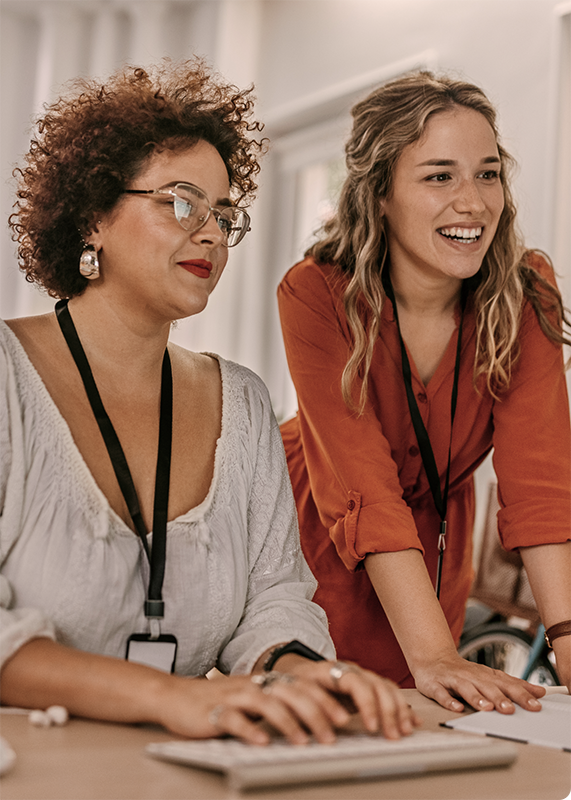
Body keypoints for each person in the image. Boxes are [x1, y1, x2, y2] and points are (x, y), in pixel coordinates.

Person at [0, 60, 419, 744]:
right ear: (93, 215)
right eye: (182, 202)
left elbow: (273, 599)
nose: (213, 234)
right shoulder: (6, 380)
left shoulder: (243, 403)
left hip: (185, 768)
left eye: (225, 213)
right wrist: (170, 698)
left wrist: (305, 672)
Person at [278, 70, 571, 715]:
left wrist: (568, 639)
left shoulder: (527, 294)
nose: (473, 202)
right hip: (320, 534)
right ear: (380, 193)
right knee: (338, 726)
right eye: (440, 176)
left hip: (436, 542)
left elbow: (540, 482)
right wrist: (434, 653)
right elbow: (362, 486)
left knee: (436, 722)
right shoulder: (316, 293)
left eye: (488, 174)